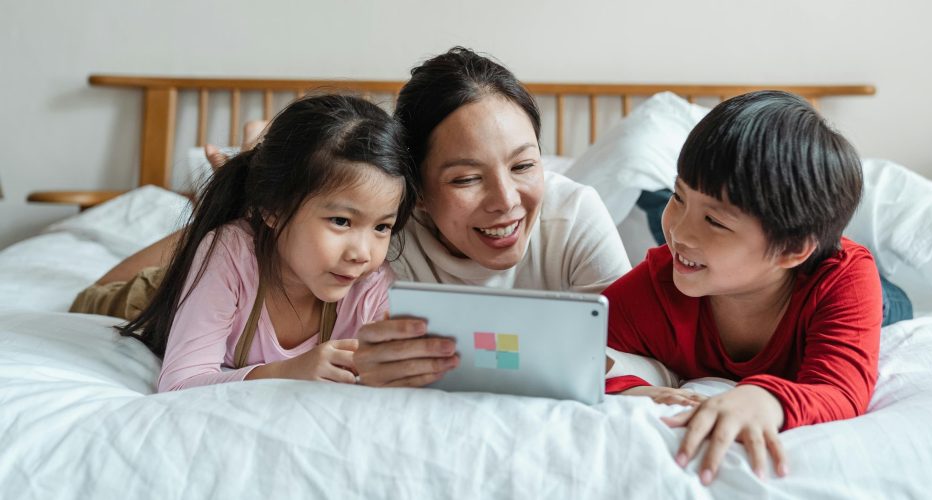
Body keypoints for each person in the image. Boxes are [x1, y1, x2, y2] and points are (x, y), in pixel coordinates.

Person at [75, 47, 632, 388]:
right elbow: (183, 378)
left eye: (524, 165)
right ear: (421, 194)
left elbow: (633, 346)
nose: (506, 201)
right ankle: (238, 185)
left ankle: (254, 172)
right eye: (464, 178)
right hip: (184, 287)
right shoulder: (372, 227)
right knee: (109, 292)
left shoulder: (375, 261)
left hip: (282, 250)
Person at [602, 91, 881, 484]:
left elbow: (839, 390)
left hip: (852, 288)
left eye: (715, 221)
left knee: (889, 302)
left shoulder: (843, 279)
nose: (679, 232)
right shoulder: (658, 285)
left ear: (792, 248)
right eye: (678, 197)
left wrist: (767, 397)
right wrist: (632, 390)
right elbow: (573, 354)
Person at [108, 94, 417, 392]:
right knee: (97, 294)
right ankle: (244, 170)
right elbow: (179, 382)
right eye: (341, 221)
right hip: (154, 291)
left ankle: (252, 155)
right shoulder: (229, 253)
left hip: (266, 244)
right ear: (273, 209)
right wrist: (289, 371)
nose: (362, 254)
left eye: (382, 226)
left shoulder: (372, 284)